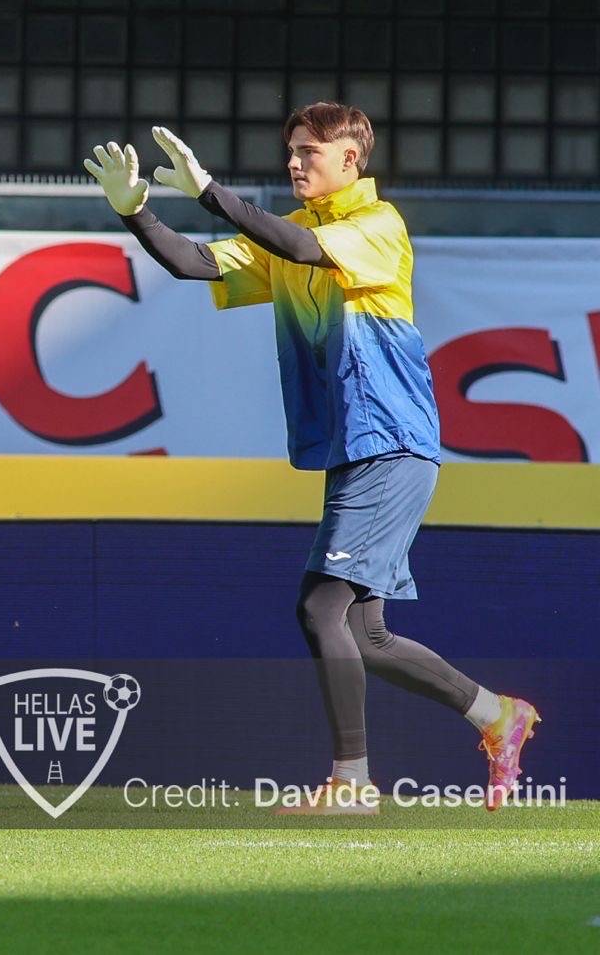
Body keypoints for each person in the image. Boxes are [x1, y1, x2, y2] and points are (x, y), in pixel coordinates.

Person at [83, 103, 540, 814]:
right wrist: (136, 212)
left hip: (389, 439)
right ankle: (496, 715)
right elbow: (193, 262)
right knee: (367, 632)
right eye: (291, 151)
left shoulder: (377, 227)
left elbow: (297, 253)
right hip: (356, 447)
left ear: (352, 161)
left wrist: (210, 194)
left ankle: (352, 783)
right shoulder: (295, 232)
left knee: (319, 606)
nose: (294, 163)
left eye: (310, 152)